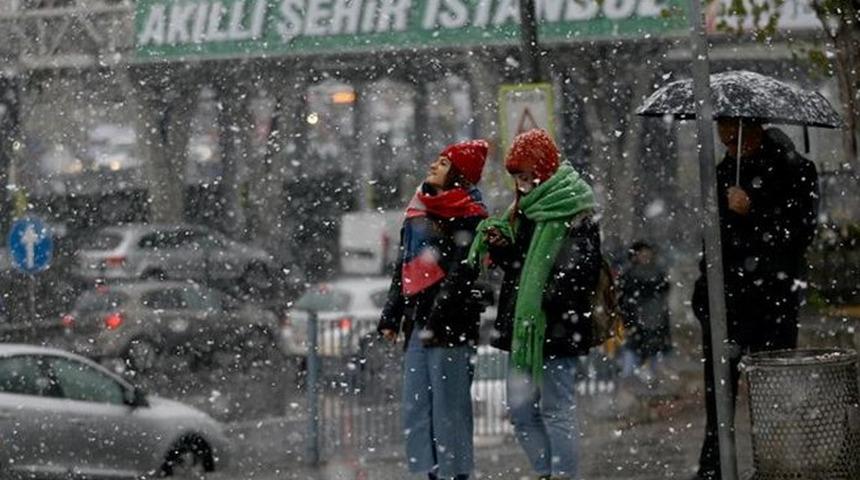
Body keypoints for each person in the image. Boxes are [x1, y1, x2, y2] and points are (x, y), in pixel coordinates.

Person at [470, 129, 601, 480]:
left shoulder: (574, 208)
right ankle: (546, 471)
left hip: (557, 326)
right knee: (520, 410)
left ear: (542, 169)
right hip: (524, 329)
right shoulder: (524, 210)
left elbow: (580, 273)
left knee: (557, 408)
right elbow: (519, 266)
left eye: (526, 175)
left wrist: (545, 296)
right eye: (516, 177)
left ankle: (562, 475)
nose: (522, 183)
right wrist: (499, 246)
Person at [692, 120, 819, 480]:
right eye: (723, 139)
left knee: (772, 393)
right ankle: (714, 468)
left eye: (734, 139)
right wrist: (704, 293)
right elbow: (713, 240)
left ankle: (775, 465)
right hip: (725, 301)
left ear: (755, 131)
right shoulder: (722, 173)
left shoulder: (795, 170)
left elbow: (800, 232)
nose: (729, 147)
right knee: (719, 395)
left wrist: (753, 211)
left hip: (772, 298)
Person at [377, 139, 489, 480]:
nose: (433, 166)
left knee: (449, 408)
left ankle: (455, 473)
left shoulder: (471, 216)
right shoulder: (418, 210)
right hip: (418, 324)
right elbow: (404, 267)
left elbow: (462, 271)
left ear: (458, 174)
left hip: (451, 326)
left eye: (443, 163)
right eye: (436, 160)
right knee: (416, 406)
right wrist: (392, 315)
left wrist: (438, 315)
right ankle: (426, 472)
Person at [618, 241, 671, 381]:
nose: (646, 257)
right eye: (642, 254)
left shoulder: (657, 274)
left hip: (654, 322)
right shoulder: (630, 275)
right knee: (632, 361)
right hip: (637, 323)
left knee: (651, 363)